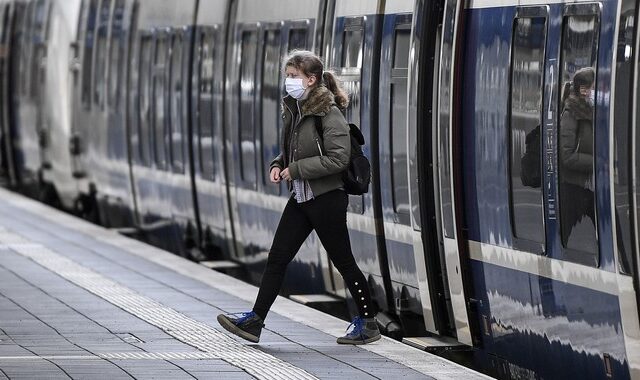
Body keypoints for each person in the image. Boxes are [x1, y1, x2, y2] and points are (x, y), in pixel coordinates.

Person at [217, 50, 380, 345]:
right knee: (278, 257)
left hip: (327, 198)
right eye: (287, 76)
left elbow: (338, 159)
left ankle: (368, 322)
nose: (289, 81)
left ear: (311, 79)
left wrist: (295, 169)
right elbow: (293, 150)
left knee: (343, 261)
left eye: (294, 77)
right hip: (302, 197)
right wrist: (278, 165)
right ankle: (255, 320)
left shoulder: (328, 114)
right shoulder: (294, 109)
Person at [558, 67, 596, 251]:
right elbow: (567, 156)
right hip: (573, 187)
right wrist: (595, 162)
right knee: (563, 235)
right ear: (583, 88)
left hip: (589, 186)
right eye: (590, 88)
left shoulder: (590, 112)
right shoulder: (570, 113)